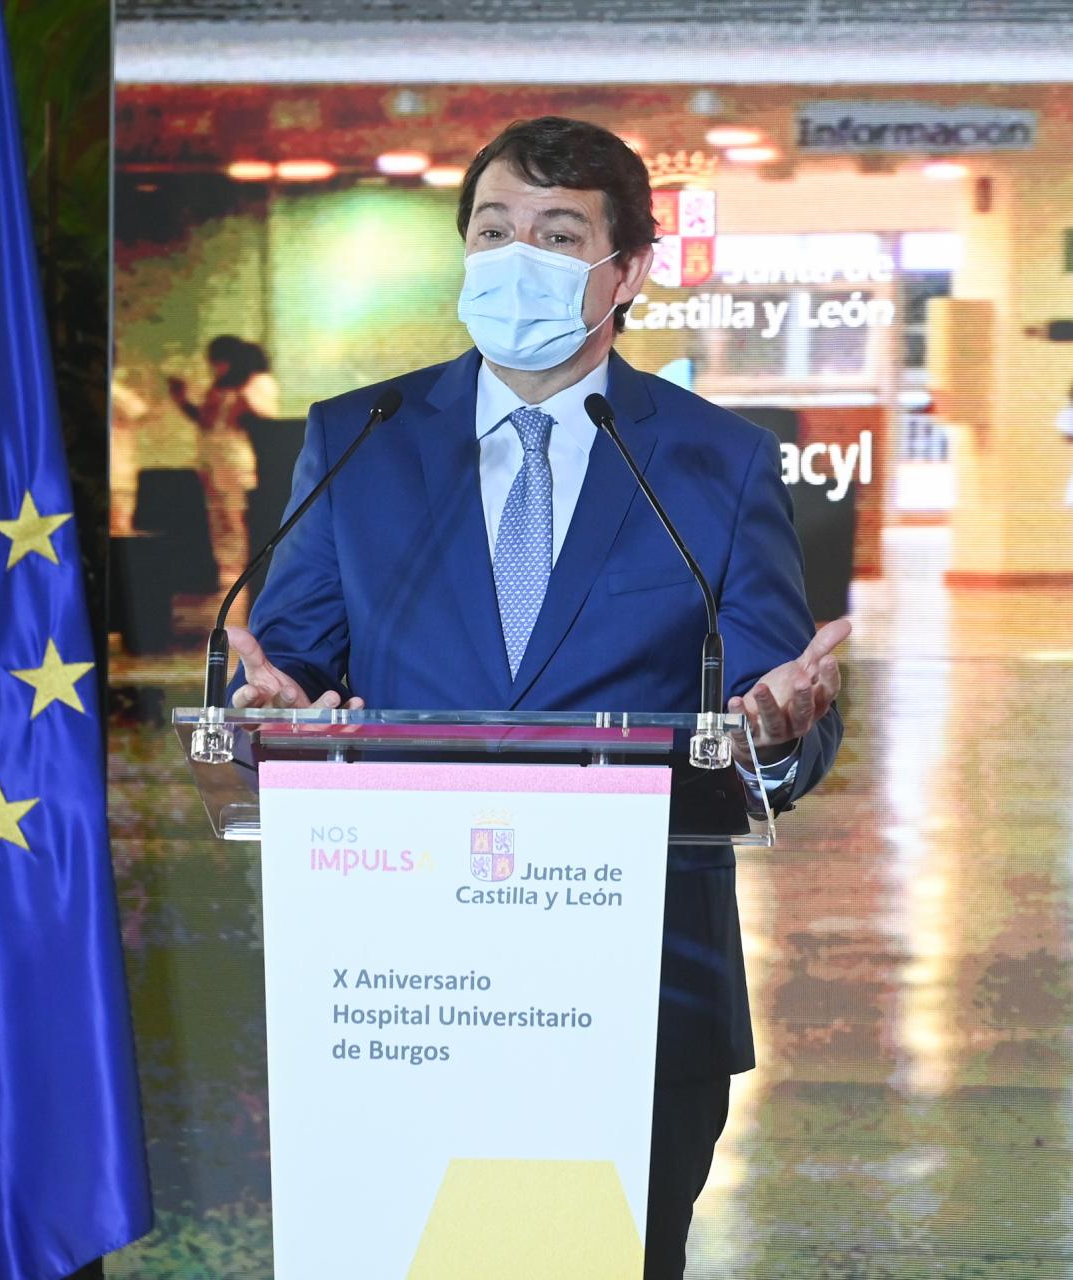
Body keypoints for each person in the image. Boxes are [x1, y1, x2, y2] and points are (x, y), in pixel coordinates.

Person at [228, 116, 847, 1279]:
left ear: (627, 272)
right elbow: (287, 661)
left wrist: (770, 734)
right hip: (404, 984)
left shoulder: (713, 460)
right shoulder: (358, 436)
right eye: (493, 229)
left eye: (558, 234)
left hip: (642, 984)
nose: (517, 256)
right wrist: (264, 705)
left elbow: (780, 711)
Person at [168, 336, 274, 583]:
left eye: (218, 361)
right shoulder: (218, 386)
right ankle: (226, 569)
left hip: (234, 460)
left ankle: (243, 571)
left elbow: (261, 420)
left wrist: (239, 403)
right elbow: (207, 422)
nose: (214, 366)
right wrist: (182, 400)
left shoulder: (253, 384)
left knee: (235, 515)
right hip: (212, 460)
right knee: (218, 515)